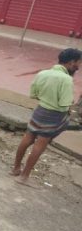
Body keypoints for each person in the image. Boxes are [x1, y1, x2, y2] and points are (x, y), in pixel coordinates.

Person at [12, 47, 81, 185]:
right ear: (71, 62)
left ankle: (16, 168)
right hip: (54, 115)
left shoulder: (42, 73)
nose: (78, 66)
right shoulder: (66, 79)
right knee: (40, 144)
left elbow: (33, 94)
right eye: (79, 63)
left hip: (40, 110)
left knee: (27, 138)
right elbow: (64, 104)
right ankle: (24, 176)